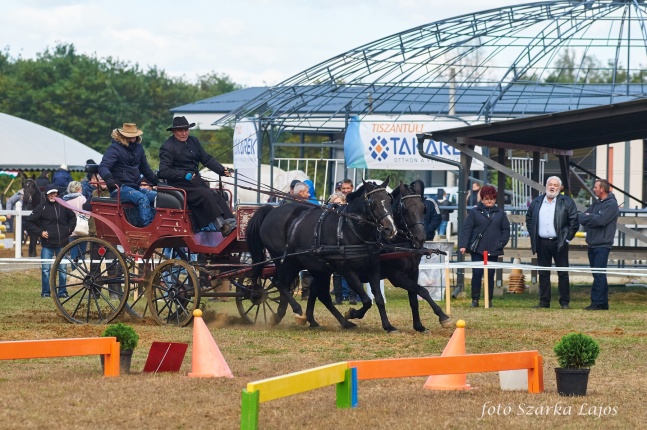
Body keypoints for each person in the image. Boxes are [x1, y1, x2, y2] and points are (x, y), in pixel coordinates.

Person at [158, 116, 236, 236]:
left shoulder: (194, 141)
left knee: (216, 195)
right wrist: (184, 175)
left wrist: (221, 170)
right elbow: (163, 171)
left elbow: (206, 159)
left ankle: (232, 223)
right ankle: (222, 225)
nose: (184, 133)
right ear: (174, 131)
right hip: (179, 184)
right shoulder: (168, 147)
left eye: (186, 130)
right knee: (205, 195)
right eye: (180, 131)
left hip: (196, 182)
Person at [526, 176, 579, 309]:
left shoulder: (567, 202)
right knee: (543, 273)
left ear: (560, 188)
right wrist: (534, 235)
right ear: (546, 186)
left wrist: (567, 238)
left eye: (555, 185)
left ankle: (564, 302)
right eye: (550, 184)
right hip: (542, 242)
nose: (552, 187)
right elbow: (529, 219)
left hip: (560, 242)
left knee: (563, 273)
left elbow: (574, 221)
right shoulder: (537, 201)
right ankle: (544, 302)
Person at [458, 185, 510, 308]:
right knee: (477, 273)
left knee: (490, 275)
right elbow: (467, 229)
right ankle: (475, 299)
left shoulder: (500, 213)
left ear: (495, 199)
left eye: (492, 198)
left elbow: (506, 230)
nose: (489, 201)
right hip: (477, 249)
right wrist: (463, 245)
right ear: (482, 199)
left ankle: (489, 299)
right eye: (486, 198)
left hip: (494, 249)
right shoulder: (474, 212)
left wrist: (501, 243)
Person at [99, 123, 159, 227]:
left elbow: (145, 168)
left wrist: (157, 182)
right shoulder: (114, 149)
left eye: (134, 135)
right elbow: (103, 166)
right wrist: (109, 179)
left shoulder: (139, 148)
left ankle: (157, 225)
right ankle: (148, 229)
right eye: (130, 136)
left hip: (135, 187)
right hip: (119, 188)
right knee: (142, 199)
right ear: (123, 136)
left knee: (158, 197)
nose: (132, 138)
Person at [24, 184, 76, 298]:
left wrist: (69, 229)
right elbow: (28, 222)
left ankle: (62, 292)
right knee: (45, 270)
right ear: (46, 194)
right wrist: (40, 232)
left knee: (62, 269)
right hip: (47, 244)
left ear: (57, 193)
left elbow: (73, 217)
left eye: (55, 193)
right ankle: (46, 293)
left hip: (62, 243)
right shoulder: (41, 207)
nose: (53, 195)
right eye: (50, 193)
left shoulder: (63, 206)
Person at [578, 179, 619, 310]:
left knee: (599, 273)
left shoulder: (611, 204)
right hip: (592, 243)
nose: (593, 189)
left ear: (602, 189)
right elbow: (582, 218)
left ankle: (597, 303)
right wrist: (592, 217)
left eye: (595, 187)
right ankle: (602, 303)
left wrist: (591, 217)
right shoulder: (596, 203)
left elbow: (601, 221)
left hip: (602, 244)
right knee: (597, 274)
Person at [62, 181, 88, 258]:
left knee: (73, 254)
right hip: (81, 228)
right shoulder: (82, 198)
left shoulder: (64, 199)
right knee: (82, 254)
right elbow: (86, 213)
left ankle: (74, 269)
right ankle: (82, 269)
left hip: (70, 230)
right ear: (78, 189)